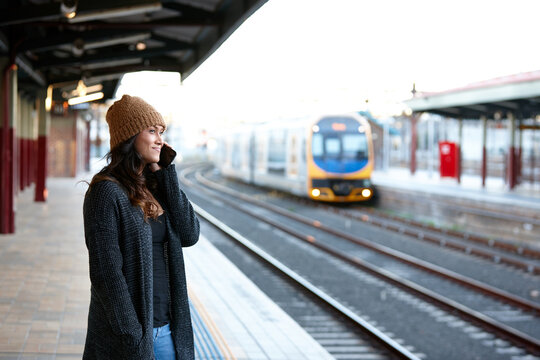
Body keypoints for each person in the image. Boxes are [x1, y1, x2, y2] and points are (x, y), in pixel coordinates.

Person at [82, 95, 200, 360]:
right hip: (130, 340)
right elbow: (106, 275)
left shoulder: (156, 186)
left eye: (161, 132)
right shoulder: (105, 192)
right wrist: (133, 338)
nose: (160, 139)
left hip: (168, 330)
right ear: (129, 136)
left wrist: (166, 172)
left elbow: (190, 234)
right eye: (151, 131)